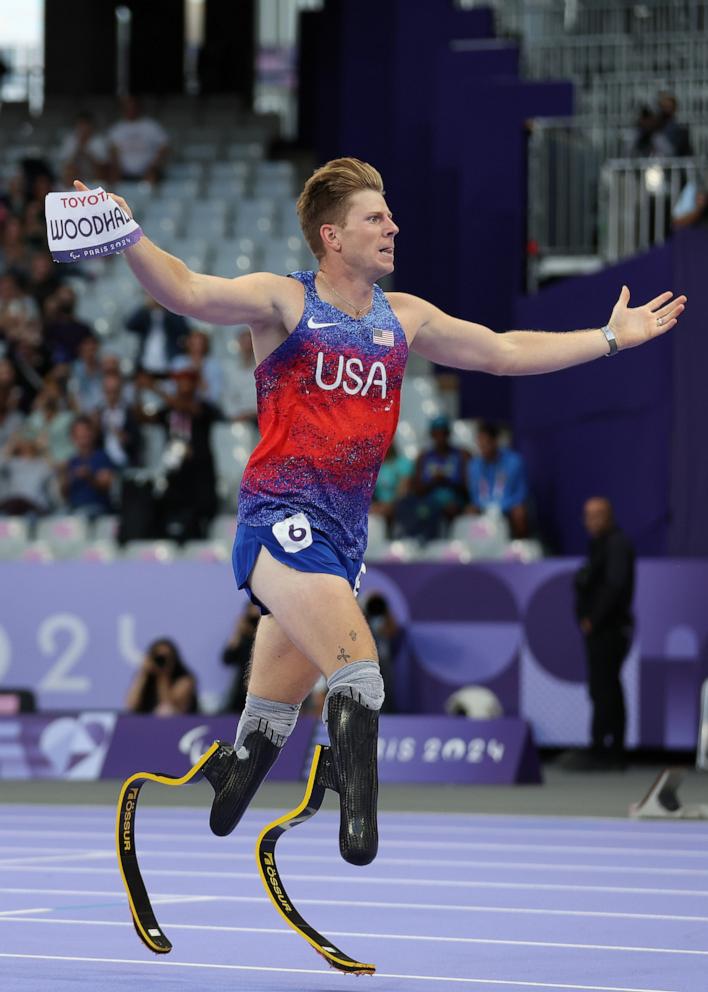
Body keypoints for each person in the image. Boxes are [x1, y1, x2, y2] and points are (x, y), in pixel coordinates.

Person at [73, 157, 684, 866]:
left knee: (267, 724)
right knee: (358, 669)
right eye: (375, 217)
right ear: (332, 236)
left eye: (390, 214)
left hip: (343, 537)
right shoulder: (284, 301)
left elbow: (507, 352)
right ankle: (347, 794)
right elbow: (184, 289)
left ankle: (231, 770)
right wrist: (127, 236)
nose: (393, 225)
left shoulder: (406, 316)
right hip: (279, 517)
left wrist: (611, 338)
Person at [573, 497, 635, 770]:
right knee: (602, 687)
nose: (591, 521)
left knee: (606, 687)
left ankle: (609, 750)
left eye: (597, 515)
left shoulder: (617, 544)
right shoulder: (598, 546)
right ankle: (604, 747)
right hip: (600, 628)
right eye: (587, 515)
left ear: (609, 516)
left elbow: (614, 586)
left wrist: (593, 619)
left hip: (610, 628)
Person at [398, 415, 469, 541]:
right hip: (428, 502)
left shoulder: (461, 455)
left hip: (455, 501)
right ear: (432, 435)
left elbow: (466, 487)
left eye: (443, 433)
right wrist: (434, 481)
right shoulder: (424, 457)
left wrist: (447, 480)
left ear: (448, 434)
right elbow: (417, 488)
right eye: (437, 434)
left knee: (448, 508)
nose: (440, 437)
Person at [466, 420, 530, 538]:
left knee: (519, 512)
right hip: (483, 505)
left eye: (486, 444)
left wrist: (500, 506)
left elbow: (521, 493)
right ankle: (473, 550)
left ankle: (521, 548)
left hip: (508, 505)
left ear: (495, 442)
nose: (483, 448)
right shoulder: (474, 465)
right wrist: (485, 506)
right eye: (480, 444)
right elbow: (474, 495)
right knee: (470, 511)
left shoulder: (514, 461)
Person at [60, 414, 115, 517]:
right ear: (73, 437)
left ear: (92, 434)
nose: (82, 435)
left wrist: (89, 476)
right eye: (78, 432)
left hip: (96, 509)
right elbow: (64, 494)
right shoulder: (72, 461)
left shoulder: (102, 457)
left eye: (85, 431)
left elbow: (106, 487)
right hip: (74, 508)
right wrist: (65, 481)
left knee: (79, 516)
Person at [125, 638, 198, 715]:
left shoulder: (185, 680)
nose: (161, 661)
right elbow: (131, 706)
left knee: (165, 709)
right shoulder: (145, 677)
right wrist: (143, 673)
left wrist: (163, 676)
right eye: (157, 657)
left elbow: (167, 706)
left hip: (176, 724)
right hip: (146, 723)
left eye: (166, 658)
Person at [108, 96, 169, 184]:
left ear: (139, 108)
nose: (131, 110)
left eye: (133, 107)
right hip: (123, 173)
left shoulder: (151, 126)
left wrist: (154, 165)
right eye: (127, 107)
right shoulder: (116, 129)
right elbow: (112, 152)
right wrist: (116, 168)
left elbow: (164, 147)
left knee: (154, 175)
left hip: (149, 171)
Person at [220, 603, 260, 713]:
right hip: (241, 688)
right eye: (251, 618)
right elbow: (226, 659)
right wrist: (237, 632)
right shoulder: (241, 639)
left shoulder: (266, 640)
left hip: (262, 688)